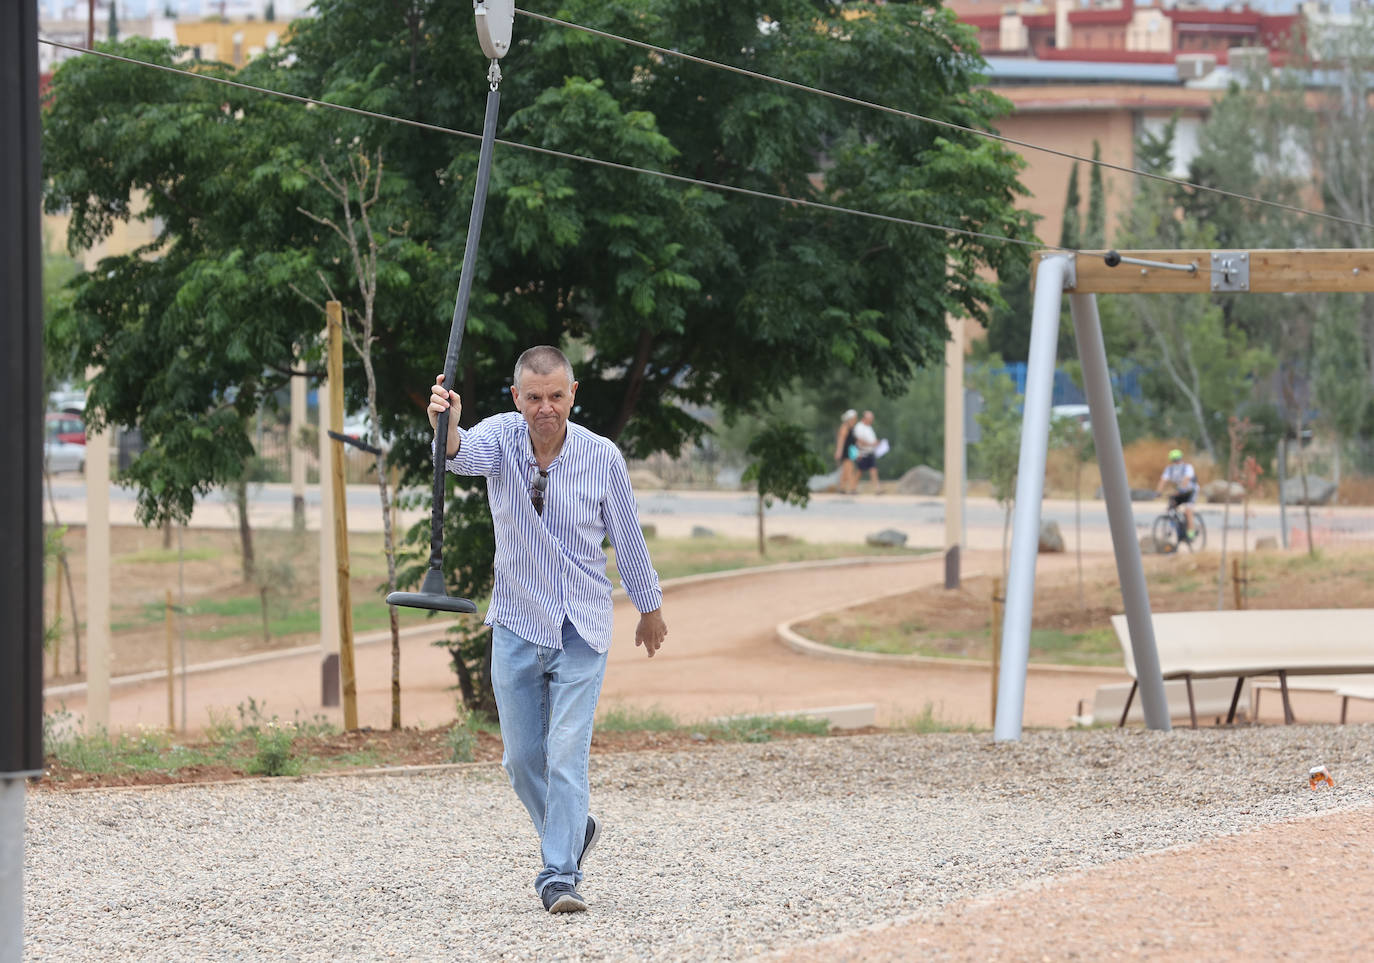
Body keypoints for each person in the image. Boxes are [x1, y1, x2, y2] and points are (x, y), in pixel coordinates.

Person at [425, 345, 668, 915]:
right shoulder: (501, 439)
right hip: (517, 621)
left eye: (556, 395)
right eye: (534, 397)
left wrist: (649, 606)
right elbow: (457, 455)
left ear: (572, 394)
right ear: (517, 397)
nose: (545, 408)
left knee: (565, 754)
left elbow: (627, 537)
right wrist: (446, 425)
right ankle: (575, 828)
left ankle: (559, 875)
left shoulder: (601, 457)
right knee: (520, 761)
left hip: (582, 625)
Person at [1159, 448, 1198, 541]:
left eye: (1178, 459)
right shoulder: (1169, 469)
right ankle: (1176, 526)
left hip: (1190, 491)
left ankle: (1191, 533)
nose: (1176, 462)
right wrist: (1158, 491)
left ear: (1181, 458)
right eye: (1174, 460)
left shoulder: (1187, 467)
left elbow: (1187, 478)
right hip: (1179, 492)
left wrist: (1180, 489)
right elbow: (1163, 480)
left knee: (1188, 511)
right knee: (1170, 508)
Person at [851, 410, 881, 494]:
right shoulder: (859, 427)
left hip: (870, 452)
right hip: (862, 452)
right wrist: (871, 444)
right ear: (865, 418)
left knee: (873, 470)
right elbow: (859, 440)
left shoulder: (869, 427)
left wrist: (876, 443)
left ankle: (877, 489)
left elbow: (872, 440)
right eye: (870, 418)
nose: (872, 420)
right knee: (860, 471)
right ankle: (853, 488)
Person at [833, 408, 859, 495]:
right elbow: (841, 440)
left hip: (851, 451)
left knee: (845, 470)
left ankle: (842, 487)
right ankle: (852, 488)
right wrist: (838, 452)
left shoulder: (852, 428)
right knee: (850, 469)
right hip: (846, 451)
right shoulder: (845, 427)